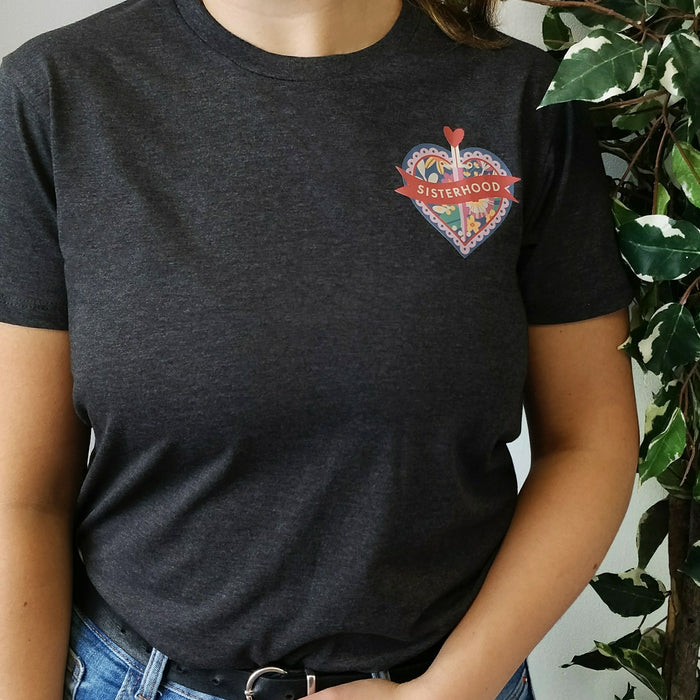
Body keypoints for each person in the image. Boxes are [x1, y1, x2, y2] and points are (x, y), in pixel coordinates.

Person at [0, 0, 640, 699]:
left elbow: (588, 441)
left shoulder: (525, 99)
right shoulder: (54, 93)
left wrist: (445, 691)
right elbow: (23, 498)